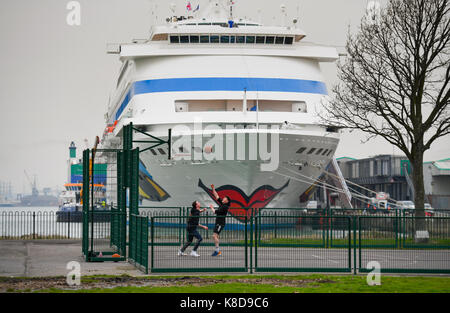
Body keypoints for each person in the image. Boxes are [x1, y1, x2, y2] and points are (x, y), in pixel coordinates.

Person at [209, 184, 231, 257]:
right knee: (216, 236)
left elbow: (216, 212)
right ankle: (218, 251)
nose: (223, 199)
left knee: (214, 236)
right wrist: (213, 189)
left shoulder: (225, 207)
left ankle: (217, 250)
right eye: (223, 198)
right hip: (218, 222)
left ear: (227, 201)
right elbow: (217, 196)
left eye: (224, 198)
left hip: (220, 223)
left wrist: (211, 207)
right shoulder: (222, 204)